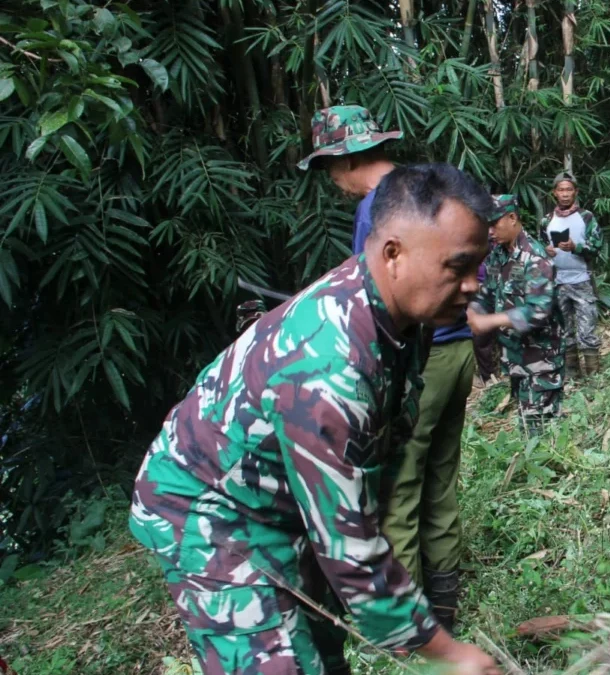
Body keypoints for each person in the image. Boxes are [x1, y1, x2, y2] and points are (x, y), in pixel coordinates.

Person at [128, 165, 500, 675]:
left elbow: (372, 476)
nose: (471, 286)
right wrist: (444, 653)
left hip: (279, 498)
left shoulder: (403, 316)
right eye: (458, 267)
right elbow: (349, 547)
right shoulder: (330, 368)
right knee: (279, 665)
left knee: (321, 646)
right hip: (207, 506)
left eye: (478, 266)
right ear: (393, 254)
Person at [299, 105, 476, 633]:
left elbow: (375, 305)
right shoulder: (427, 192)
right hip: (460, 349)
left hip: (422, 359)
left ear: (345, 158)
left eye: (328, 167)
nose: (331, 181)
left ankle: (409, 628)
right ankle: (445, 606)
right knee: (439, 479)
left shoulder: (378, 211)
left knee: (397, 488)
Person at [467, 195, 564, 435]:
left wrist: (490, 321)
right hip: (517, 358)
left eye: (494, 224)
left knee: (539, 430)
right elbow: (488, 293)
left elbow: (538, 311)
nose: (490, 232)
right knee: (527, 423)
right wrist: (473, 311)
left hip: (541, 360)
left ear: (512, 218)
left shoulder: (535, 258)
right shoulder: (498, 255)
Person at [542, 172, 604, 377]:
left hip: (582, 280)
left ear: (575, 192)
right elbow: (539, 249)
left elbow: (597, 246)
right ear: (555, 193)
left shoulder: (586, 217)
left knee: (587, 329)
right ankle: (572, 375)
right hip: (558, 281)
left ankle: (594, 375)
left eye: (569, 189)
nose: (565, 194)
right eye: (561, 189)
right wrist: (546, 251)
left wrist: (576, 247)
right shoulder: (547, 220)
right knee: (564, 330)